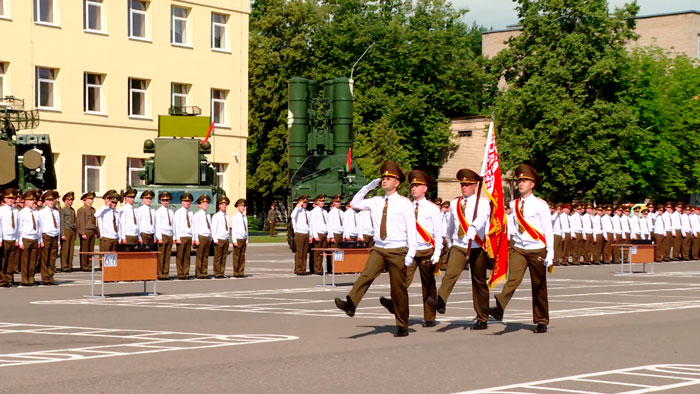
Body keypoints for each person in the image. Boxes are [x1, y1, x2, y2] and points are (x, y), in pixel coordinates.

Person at [335, 161, 418, 337]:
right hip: (379, 248)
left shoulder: (405, 204)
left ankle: (402, 324)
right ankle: (351, 304)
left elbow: (412, 229)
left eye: (389, 178)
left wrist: (411, 252)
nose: (384, 180)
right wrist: (367, 187)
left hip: (398, 248)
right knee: (366, 274)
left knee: (398, 288)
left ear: (397, 183)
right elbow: (355, 203)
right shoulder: (375, 201)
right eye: (383, 178)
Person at [489, 164, 553, 334]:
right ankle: (499, 306)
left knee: (538, 285)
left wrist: (551, 252)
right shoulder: (514, 203)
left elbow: (548, 229)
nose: (521, 183)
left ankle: (541, 320)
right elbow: (512, 226)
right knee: (513, 279)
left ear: (532, 184)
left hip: (537, 248)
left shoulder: (541, 205)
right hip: (519, 248)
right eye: (520, 181)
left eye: (525, 181)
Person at [379, 170, 443, 327]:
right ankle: (395, 304)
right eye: (412, 186)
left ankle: (429, 316)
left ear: (425, 189)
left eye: (417, 186)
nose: (414, 188)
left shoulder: (432, 208)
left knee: (428, 284)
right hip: (409, 250)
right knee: (402, 280)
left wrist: (437, 252)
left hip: (426, 249)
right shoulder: (405, 204)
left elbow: (438, 232)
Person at [428, 168, 490, 329]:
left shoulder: (482, 203)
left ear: (475, 185)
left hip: (477, 246)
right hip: (459, 245)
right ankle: (441, 300)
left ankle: (482, 316)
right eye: (463, 184)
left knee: (479, 283)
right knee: (450, 274)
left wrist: (474, 227)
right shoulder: (455, 203)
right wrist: (448, 240)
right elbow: (451, 225)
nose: (464, 187)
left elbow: (483, 218)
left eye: (468, 184)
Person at [18, 190, 42, 286]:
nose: (33, 202)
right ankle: (25, 279)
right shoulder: (22, 213)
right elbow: (19, 228)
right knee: (25, 260)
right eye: (31, 200)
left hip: (34, 238)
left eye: (34, 200)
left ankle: (31, 279)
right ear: (26, 201)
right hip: (26, 237)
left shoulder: (36, 212)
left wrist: (40, 240)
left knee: (33, 261)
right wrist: (20, 241)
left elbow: (39, 227)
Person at [38, 190, 61, 285]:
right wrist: (41, 240)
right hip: (46, 235)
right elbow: (40, 227)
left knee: (52, 258)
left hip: (54, 236)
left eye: (53, 200)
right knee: (45, 258)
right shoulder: (42, 212)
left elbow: (58, 226)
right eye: (49, 200)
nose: (52, 202)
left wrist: (58, 239)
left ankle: (51, 276)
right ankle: (45, 278)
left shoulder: (56, 212)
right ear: (45, 201)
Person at [0, 188, 20, 287]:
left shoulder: (16, 211)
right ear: (4, 199)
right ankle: (2, 280)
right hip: (4, 238)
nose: (11, 200)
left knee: (11, 261)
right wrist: (0, 239)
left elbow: (18, 227)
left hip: (13, 238)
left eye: (13, 198)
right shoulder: (1, 210)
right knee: (3, 261)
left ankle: (9, 280)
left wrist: (17, 239)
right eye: (9, 198)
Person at [173, 192, 194, 280]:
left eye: (189, 201)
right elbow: (176, 225)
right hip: (181, 236)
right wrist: (176, 238)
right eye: (185, 201)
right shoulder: (178, 212)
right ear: (182, 202)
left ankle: (186, 272)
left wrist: (193, 237)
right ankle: (180, 273)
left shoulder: (191, 213)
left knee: (187, 256)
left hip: (188, 235)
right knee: (180, 256)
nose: (187, 203)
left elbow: (193, 225)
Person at [155, 191, 175, 280]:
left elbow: (173, 224)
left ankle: (166, 273)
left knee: (167, 256)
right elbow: (158, 225)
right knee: (161, 256)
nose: (165, 202)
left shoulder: (171, 211)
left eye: (167, 200)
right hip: (163, 234)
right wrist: (159, 237)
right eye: (163, 200)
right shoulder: (159, 211)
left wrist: (174, 236)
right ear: (161, 201)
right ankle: (160, 273)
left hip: (169, 234)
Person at [192, 194, 212, 279]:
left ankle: (204, 272)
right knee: (200, 256)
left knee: (205, 256)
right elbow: (195, 227)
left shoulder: (208, 215)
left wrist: (211, 237)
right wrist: (196, 239)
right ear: (199, 205)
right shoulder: (197, 215)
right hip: (200, 236)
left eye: (207, 203)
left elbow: (210, 227)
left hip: (207, 236)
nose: (205, 205)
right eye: (203, 203)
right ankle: (199, 273)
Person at [291, 195, 311, 275]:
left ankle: (303, 268)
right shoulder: (297, 211)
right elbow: (292, 216)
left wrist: (310, 235)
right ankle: (298, 269)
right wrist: (297, 207)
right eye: (304, 202)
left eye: (306, 202)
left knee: (305, 253)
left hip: (306, 233)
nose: (305, 204)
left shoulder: (308, 212)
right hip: (299, 233)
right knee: (299, 252)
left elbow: (310, 224)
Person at [76, 192, 97, 271]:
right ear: (85, 200)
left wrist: (95, 232)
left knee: (91, 250)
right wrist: (82, 233)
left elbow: (94, 222)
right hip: (86, 231)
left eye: (92, 199)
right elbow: (80, 222)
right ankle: (84, 265)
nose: (91, 200)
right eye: (90, 199)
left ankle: (89, 265)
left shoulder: (93, 209)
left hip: (92, 231)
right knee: (85, 249)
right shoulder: (82, 210)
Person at [211, 195, 231, 278]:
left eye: (225, 204)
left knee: (224, 257)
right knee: (218, 257)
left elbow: (228, 228)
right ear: (219, 206)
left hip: (225, 239)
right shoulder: (216, 216)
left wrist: (228, 238)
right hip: (219, 238)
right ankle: (217, 272)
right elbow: (213, 228)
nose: (224, 206)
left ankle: (222, 272)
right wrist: (215, 239)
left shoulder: (227, 216)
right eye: (222, 204)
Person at [309, 194, 329, 274]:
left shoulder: (324, 211)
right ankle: (317, 269)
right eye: (321, 201)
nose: (322, 202)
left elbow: (328, 224)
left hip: (324, 233)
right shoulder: (314, 212)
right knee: (317, 253)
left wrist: (329, 235)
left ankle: (320, 268)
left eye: (323, 201)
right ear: (317, 202)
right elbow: (313, 225)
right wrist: (315, 235)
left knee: (322, 253)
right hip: (318, 233)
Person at [231, 198, 249, 278]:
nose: (243, 208)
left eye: (244, 206)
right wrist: (234, 240)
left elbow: (246, 229)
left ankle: (241, 271)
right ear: (237, 207)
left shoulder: (244, 217)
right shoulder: (235, 217)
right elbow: (233, 229)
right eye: (241, 206)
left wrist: (247, 239)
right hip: (238, 238)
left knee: (242, 256)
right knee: (236, 257)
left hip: (243, 238)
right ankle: (236, 272)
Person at [59, 192, 76, 272]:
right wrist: (62, 234)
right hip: (66, 230)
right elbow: (62, 222)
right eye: (69, 200)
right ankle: (64, 266)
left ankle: (69, 265)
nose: (71, 201)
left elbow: (74, 222)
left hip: (72, 230)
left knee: (71, 249)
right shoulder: (63, 210)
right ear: (65, 201)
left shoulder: (72, 210)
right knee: (65, 249)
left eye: (72, 199)